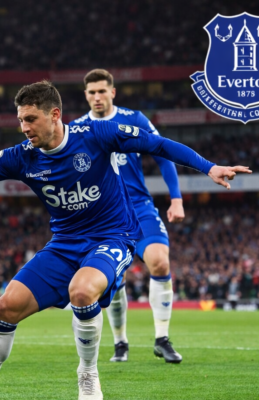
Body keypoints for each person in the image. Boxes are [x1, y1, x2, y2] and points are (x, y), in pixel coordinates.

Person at [0, 81, 249, 400]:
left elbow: (158, 145)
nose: (24, 128)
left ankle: (87, 373)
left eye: (31, 119)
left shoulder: (96, 135)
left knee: (82, 292)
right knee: (5, 306)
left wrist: (209, 167)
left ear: (54, 115)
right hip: (64, 244)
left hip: (113, 237)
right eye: (21, 120)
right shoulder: (21, 156)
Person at [74, 69, 184, 363]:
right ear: (85, 95)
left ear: (112, 92)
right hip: (103, 214)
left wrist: (176, 198)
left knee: (160, 261)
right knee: (114, 278)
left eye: (102, 91)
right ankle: (120, 342)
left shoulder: (134, 119)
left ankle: (162, 339)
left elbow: (163, 155)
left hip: (138, 206)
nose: (97, 96)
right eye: (92, 92)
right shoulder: (76, 129)